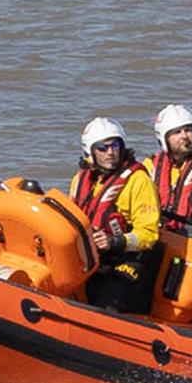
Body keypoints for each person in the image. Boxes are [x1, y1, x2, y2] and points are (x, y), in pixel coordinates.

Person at [69, 117, 160, 313]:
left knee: (109, 299)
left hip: (128, 259)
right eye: (103, 148)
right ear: (90, 152)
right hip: (91, 257)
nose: (111, 152)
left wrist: (115, 241)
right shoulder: (80, 179)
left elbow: (149, 234)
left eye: (115, 145)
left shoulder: (138, 180)